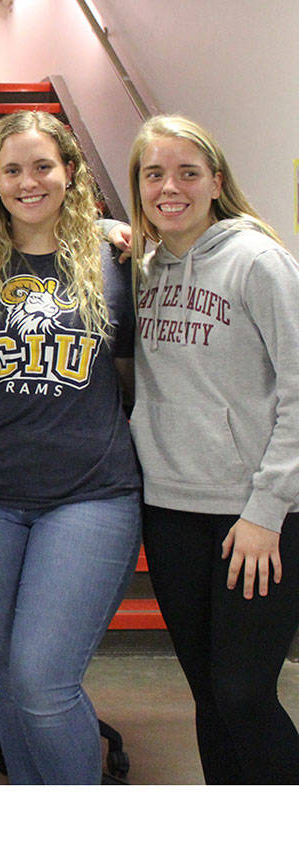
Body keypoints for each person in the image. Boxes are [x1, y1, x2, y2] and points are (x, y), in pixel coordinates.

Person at [0, 110, 141, 784]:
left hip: (89, 493)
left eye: (42, 166)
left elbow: (133, 372)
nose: (28, 181)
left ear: (68, 172)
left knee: (42, 678)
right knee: (11, 680)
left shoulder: (115, 255)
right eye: (12, 169)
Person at [127, 115, 299, 784]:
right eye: (153, 174)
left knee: (245, 693)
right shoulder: (145, 269)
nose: (171, 187)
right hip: (171, 509)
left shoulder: (259, 262)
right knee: (209, 695)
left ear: (216, 182)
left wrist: (265, 510)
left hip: (254, 518)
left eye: (187, 173)